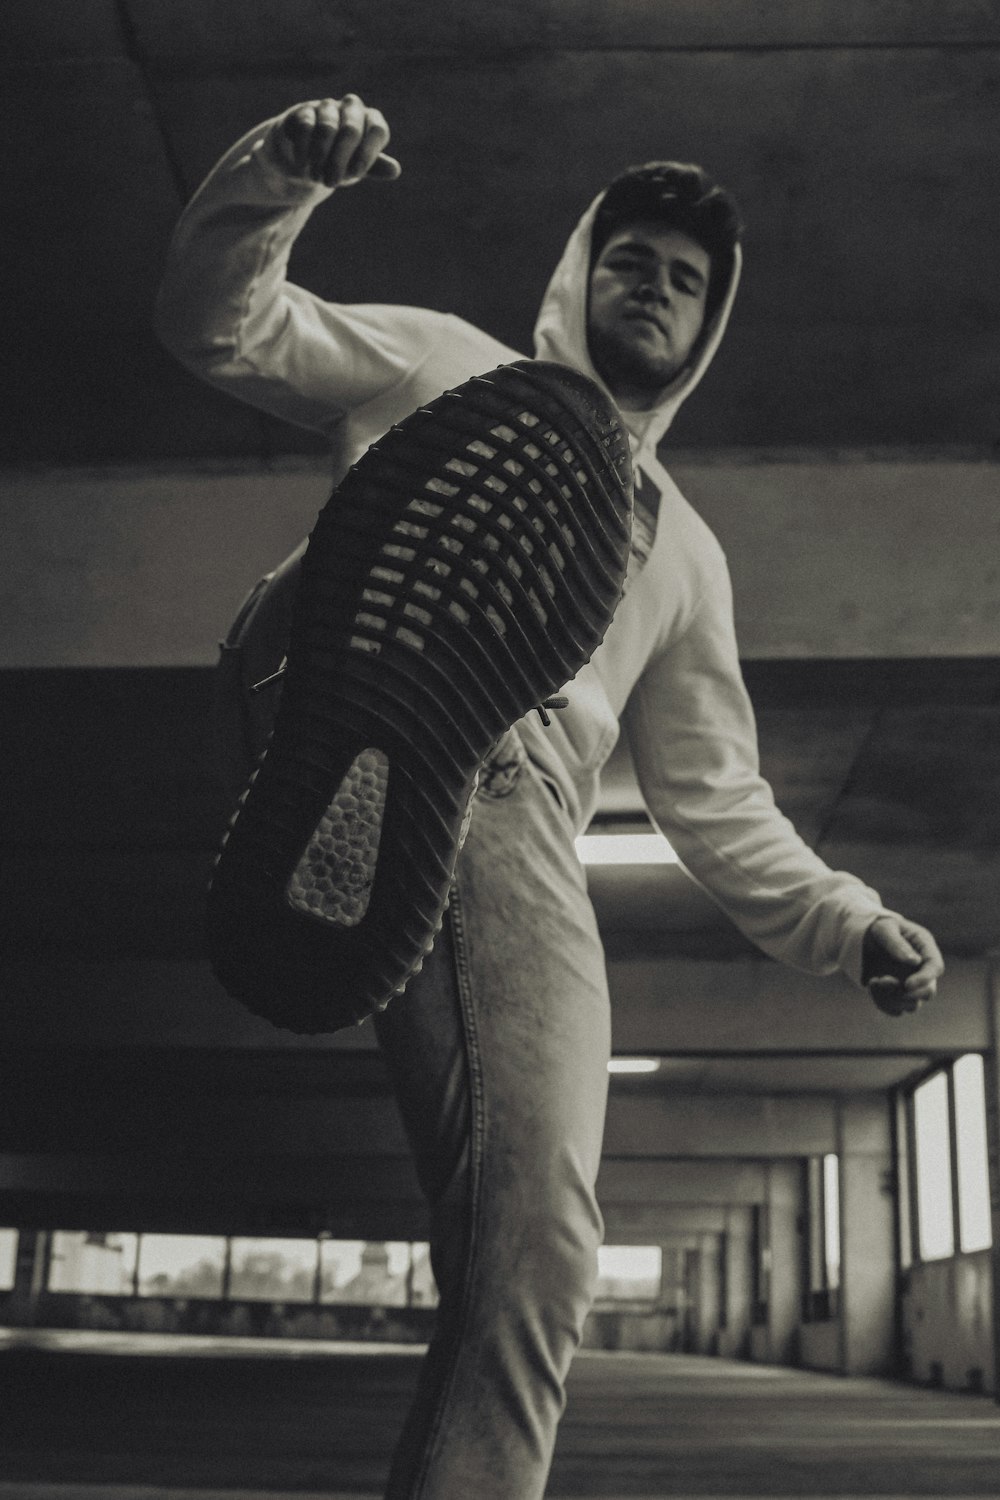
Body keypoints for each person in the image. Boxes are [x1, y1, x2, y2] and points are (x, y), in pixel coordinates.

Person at [155, 94, 944, 1500]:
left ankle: (321, 686)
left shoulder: (685, 551)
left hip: (526, 828)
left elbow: (715, 795)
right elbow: (222, 326)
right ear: (580, 271)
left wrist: (848, 918)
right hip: (423, 746)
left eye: (686, 281)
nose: (655, 287)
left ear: (710, 330)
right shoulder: (448, 362)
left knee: (529, 1247)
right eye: (631, 259)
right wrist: (280, 174)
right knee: (538, 1248)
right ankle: (321, 665)